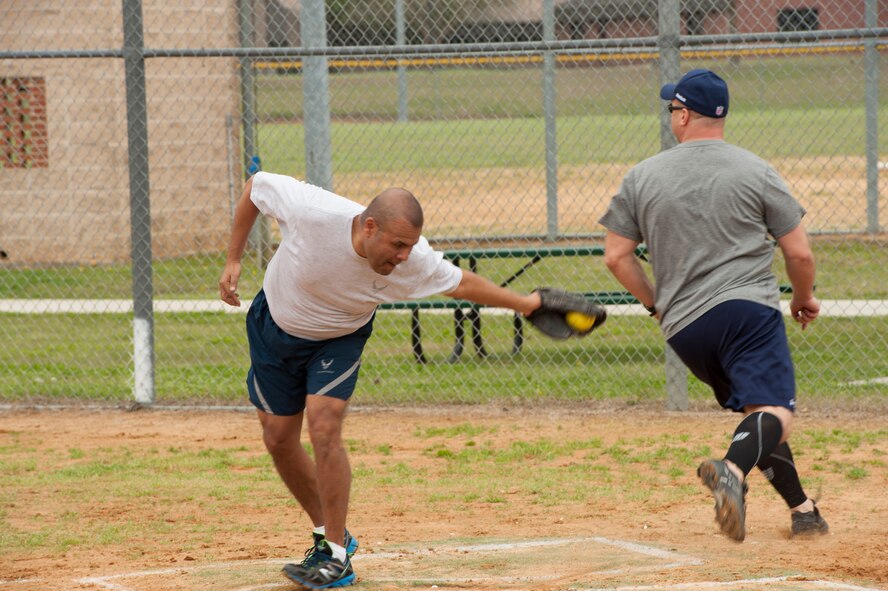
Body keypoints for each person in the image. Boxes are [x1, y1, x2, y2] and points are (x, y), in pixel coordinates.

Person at [219, 172, 543, 588]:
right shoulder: (314, 211)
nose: (405, 256)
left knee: (324, 425)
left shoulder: (412, 259)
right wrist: (233, 258)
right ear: (368, 227)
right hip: (275, 326)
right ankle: (327, 532)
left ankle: (335, 557)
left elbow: (461, 284)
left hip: (340, 338)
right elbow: (254, 187)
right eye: (397, 245)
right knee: (279, 439)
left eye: (410, 246)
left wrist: (527, 304)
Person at [599, 69, 829, 542]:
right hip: (747, 310)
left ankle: (804, 511)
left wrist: (655, 305)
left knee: (758, 415)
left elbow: (616, 257)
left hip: (684, 329)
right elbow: (800, 253)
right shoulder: (756, 169)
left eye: (672, 109)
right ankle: (730, 472)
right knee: (775, 413)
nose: (671, 116)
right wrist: (803, 297)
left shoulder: (641, 176)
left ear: (684, 115)